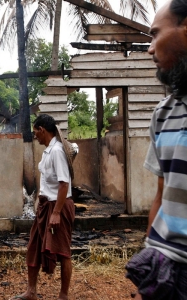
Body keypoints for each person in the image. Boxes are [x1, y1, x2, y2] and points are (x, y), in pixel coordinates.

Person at [125, 0, 187, 298]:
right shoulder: (163, 114)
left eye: (154, 34)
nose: (149, 49)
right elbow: (161, 197)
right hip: (166, 268)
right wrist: (149, 268)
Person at [13, 114, 76, 300]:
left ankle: (63, 296)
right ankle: (31, 292)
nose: (35, 137)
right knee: (34, 246)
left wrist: (56, 213)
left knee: (63, 251)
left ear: (42, 130)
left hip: (59, 207)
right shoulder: (49, 150)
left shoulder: (57, 151)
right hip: (45, 207)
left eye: (35, 133)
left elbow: (64, 184)